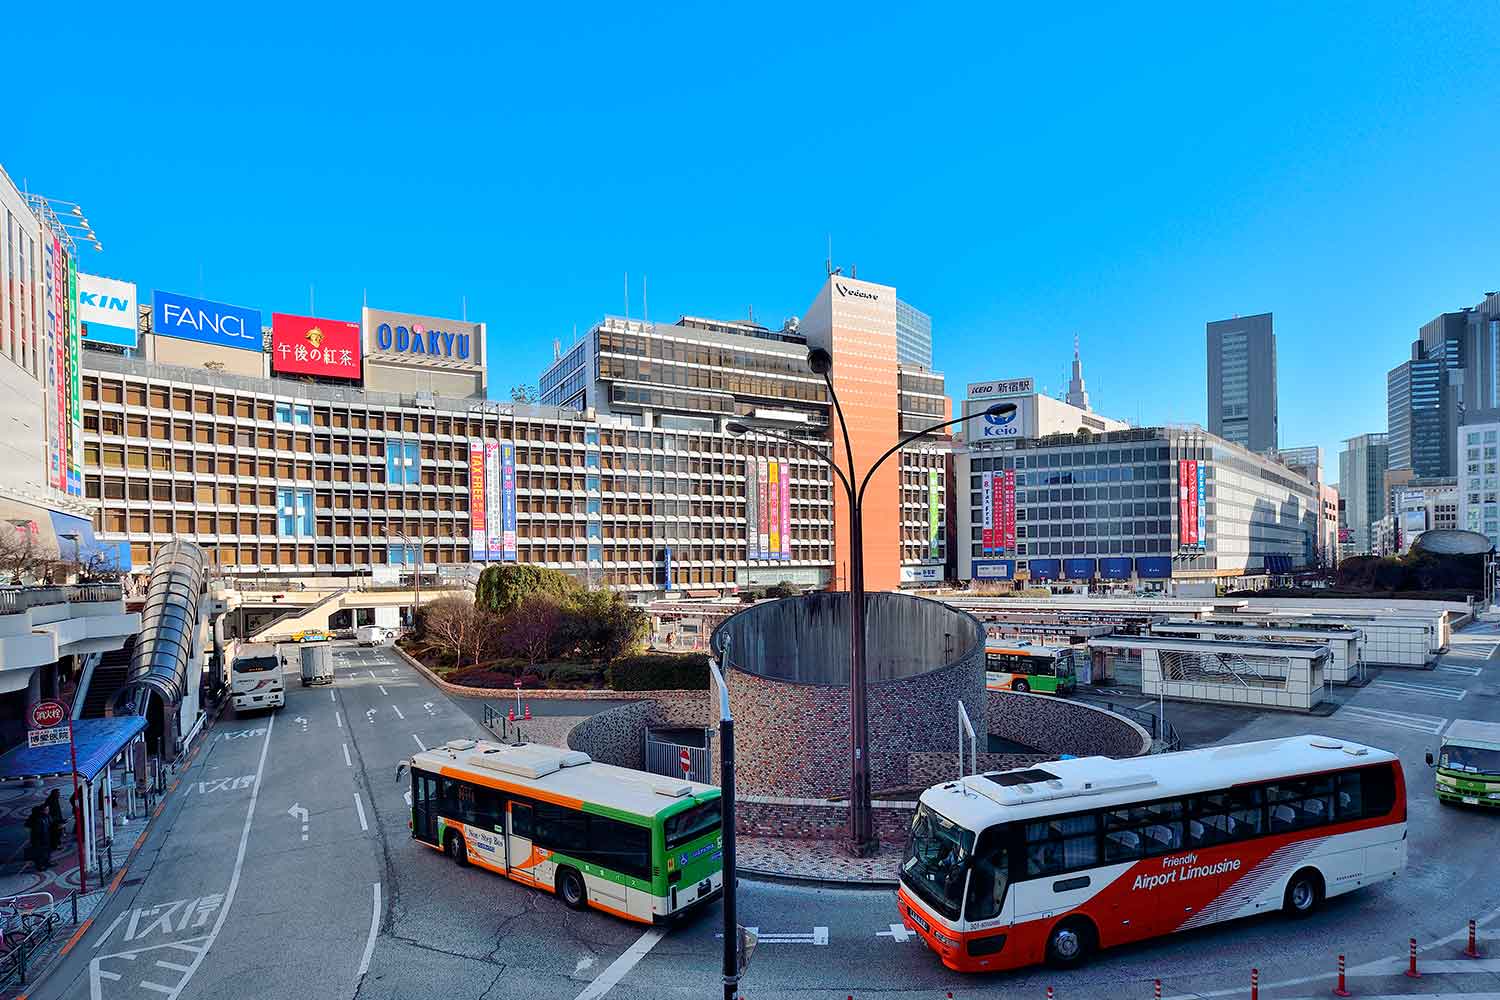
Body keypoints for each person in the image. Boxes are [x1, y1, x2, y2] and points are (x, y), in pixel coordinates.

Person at [25, 806, 50, 871]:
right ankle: (40, 866)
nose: (48, 811)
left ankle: (46, 862)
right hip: (39, 839)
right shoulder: (37, 819)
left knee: (46, 851)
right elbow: (37, 831)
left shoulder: (45, 817)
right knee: (39, 852)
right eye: (46, 810)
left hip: (45, 836)